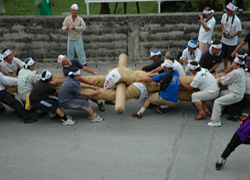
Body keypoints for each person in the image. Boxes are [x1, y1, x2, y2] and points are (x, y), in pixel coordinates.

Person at [208, 57, 245, 127]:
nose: (232, 64)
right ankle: (219, 112)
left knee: (217, 102)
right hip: (235, 92)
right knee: (220, 93)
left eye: (234, 63)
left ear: (238, 65)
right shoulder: (240, 70)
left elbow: (225, 82)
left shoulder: (236, 72)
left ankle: (215, 121)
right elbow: (228, 76)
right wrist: (220, 78)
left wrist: (218, 80)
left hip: (235, 94)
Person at [221, 2, 242, 71]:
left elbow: (239, 31)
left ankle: (232, 68)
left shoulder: (237, 20)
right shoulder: (224, 15)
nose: (226, 12)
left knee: (232, 57)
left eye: (228, 10)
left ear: (232, 11)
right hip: (224, 40)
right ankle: (225, 67)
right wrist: (223, 30)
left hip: (232, 42)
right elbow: (222, 23)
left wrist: (232, 36)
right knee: (224, 55)